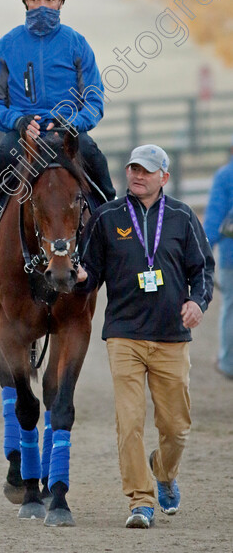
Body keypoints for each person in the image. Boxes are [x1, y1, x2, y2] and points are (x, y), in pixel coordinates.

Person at [79, 144, 214, 529]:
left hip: (172, 336)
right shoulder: (106, 219)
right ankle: (141, 500)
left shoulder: (182, 217)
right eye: (133, 169)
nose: (138, 175)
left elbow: (202, 267)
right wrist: (81, 279)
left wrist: (197, 302)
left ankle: (164, 472)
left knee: (176, 426)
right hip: (124, 335)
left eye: (147, 170)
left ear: (163, 178)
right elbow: (88, 271)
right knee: (130, 421)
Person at [0, 0, 115, 233]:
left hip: (68, 133)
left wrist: (74, 123)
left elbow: (94, 101)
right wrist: (17, 122)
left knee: (95, 158)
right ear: (25, 2)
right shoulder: (7, 45)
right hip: (23, 136)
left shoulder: (77, 43)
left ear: (60, 2)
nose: (42, 6)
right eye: (35, 0)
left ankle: (111, 219)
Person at [203, 135, 233, 380]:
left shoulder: (226, 175)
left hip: (231, 256)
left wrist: (203, 254)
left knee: (231, 310)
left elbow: (214, 218)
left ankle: (229, 362)